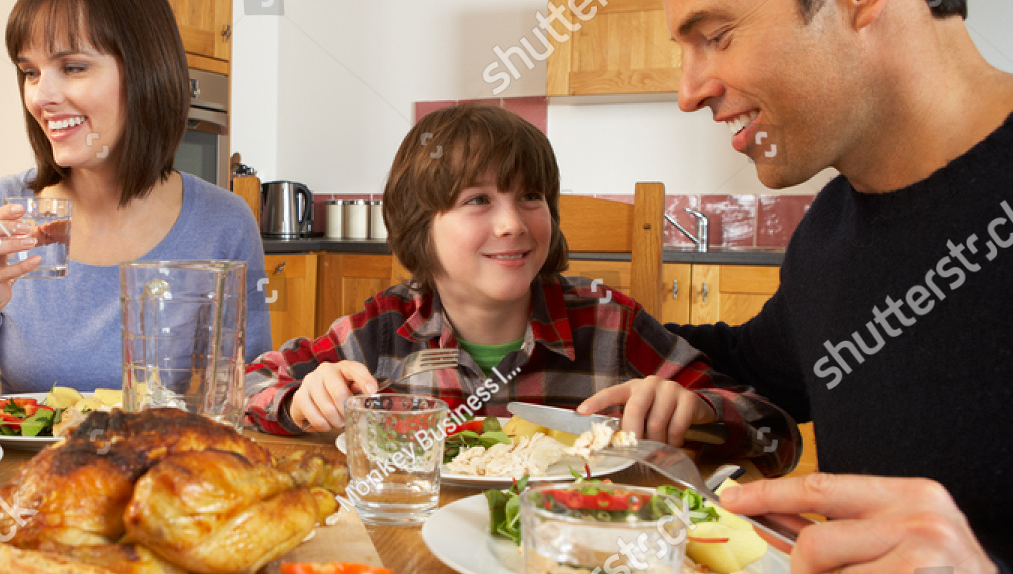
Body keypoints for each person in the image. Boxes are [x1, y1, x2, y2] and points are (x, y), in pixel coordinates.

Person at [612, 0, 1013, 574]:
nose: (689, 91)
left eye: (715, 35)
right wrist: (515, 324)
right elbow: (755, 365)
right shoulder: (832, 231)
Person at [245, 103, 800, 476]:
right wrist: (299, 401)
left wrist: (698, 410)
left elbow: (773, 434)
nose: (512, 223)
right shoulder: (384, 329)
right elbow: (246, 386)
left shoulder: (610, 325)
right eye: (477, 200)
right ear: (420, 226)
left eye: (530, 197)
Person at [0, 0, 269, 410]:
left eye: (72, 67)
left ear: (146, 73)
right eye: (29, 72)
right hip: (37, 479)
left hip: (165, 476)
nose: (40, 96)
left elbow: (253, 395)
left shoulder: (223, 223)